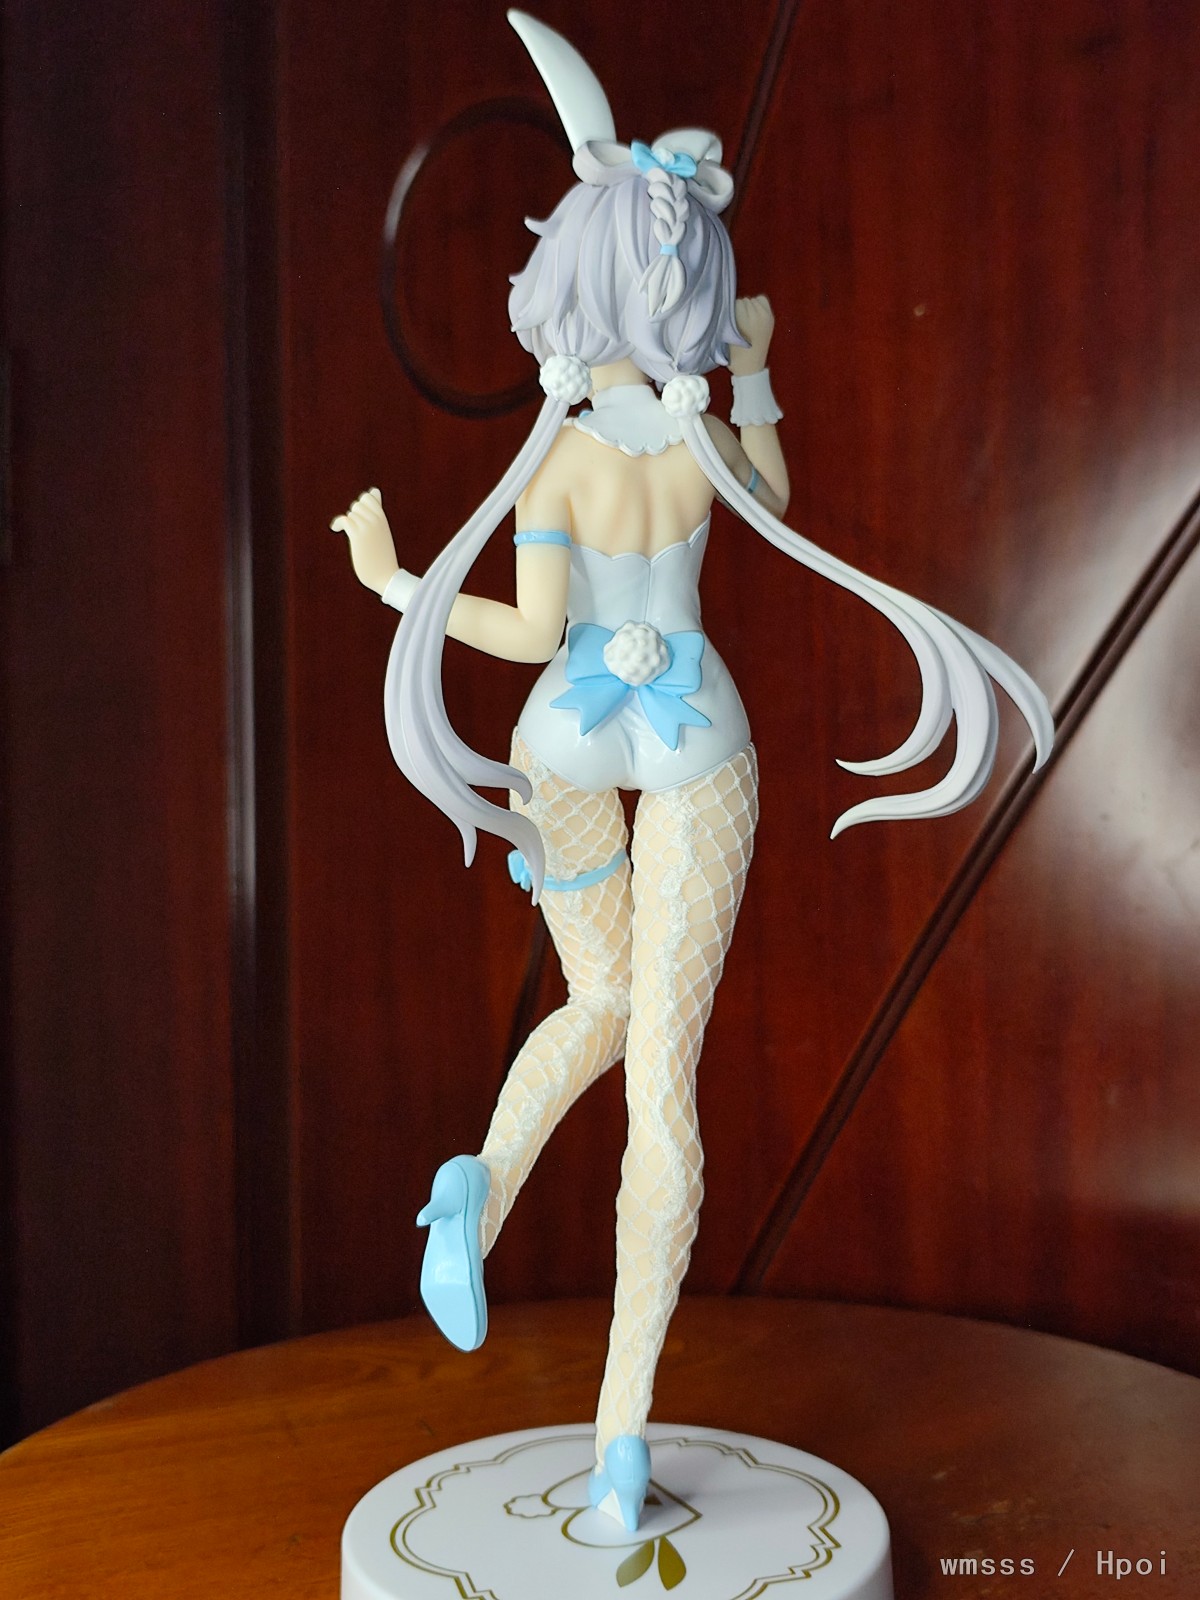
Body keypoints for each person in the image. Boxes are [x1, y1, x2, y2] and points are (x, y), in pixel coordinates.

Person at [332, 12, 1052, 1533]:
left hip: (562, 745)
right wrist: (761, 378)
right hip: (698, 741)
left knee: (597, 1006)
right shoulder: (701, 443)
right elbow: (776, 493)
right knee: (662, 1081)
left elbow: (530, 634)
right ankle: (618, 1437)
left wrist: (399, 585)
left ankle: (482, 1181)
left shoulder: (562, 460)